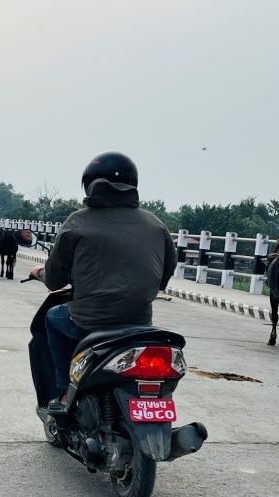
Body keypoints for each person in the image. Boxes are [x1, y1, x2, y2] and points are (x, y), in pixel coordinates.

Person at [29, 151, 176, 412]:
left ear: (88, 184)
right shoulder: (156, 224)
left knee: (53, 318)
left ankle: (64, 392)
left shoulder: (77, 221)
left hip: (89, 320)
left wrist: (38, 272)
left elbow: (54, 279)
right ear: (133, 183)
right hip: (140, 322)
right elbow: (165, 273)